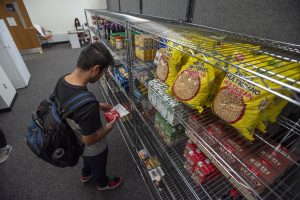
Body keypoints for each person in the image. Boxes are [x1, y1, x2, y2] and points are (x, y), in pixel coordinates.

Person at [53, 43, 123, 190]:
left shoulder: (63, 80)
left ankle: (85, 175)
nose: (102, 76)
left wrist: (98, 105)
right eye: (103, 72)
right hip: (92, 147)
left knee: (87, 161)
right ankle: (102, 184)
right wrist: (109, 126)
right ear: (96, 69)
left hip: (73, 137)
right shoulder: (87, 106)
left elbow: (73, 104)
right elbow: (90, 139)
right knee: (98, 164)